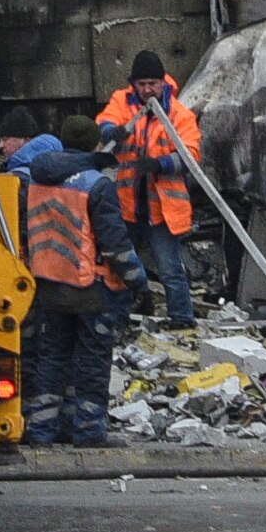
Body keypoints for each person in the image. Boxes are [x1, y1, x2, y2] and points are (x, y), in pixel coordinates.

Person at [9, 133, 146, 445]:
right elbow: (115, 245)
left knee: (52, 358)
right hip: (90, 289)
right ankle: (86, 430)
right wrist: (138, 281)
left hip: (49, 285)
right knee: (91, 363)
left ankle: (42, 430)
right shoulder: (97, 185)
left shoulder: (37, 183)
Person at [96, 50, 210, 326]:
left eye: (152, 84)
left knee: (171, 269)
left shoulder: (179, 114)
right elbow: (105, 122)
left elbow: (192, 154)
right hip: (128, 205)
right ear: (133, 83)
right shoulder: (122, 101)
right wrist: (113, 132)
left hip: (162, 208)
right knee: (120, 267)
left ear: (163, 83)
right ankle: (118, 319)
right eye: (142, 84)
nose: (147, 90)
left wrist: (161, 165)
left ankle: (182, 321)